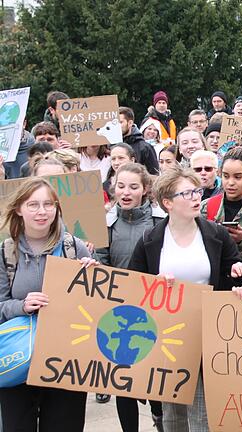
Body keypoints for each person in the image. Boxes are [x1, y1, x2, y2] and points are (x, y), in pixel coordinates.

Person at [129, 167, 242, 432]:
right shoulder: (150, 239)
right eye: (187, 193)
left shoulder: (215, 234)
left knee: (203, 408)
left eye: (197, 191)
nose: (197, 197)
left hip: (208, 333)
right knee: (173, 410)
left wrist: (239, 273)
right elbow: (133, 285)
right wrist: (155, 286)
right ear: (168, 202)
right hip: (167, 333)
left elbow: (235, 271)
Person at [0, 177, 96, 431]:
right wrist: (21, 306)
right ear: (19, 209)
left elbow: (96, 308)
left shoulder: (74, 247)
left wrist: (94, 276)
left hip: (67, 360)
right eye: (33, 205)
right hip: (20, 360)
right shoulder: (5, 252)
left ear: (57, 208)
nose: (42, 211)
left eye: (48, 204)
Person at [95, 163, 165, 432]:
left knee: (155, 379)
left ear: (145, 189)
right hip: (118, 312)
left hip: (154, 309)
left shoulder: (159, 222)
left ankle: (160, 421)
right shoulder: (106, 224)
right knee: (121, 381)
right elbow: (101, 263)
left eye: (133, 187)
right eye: (120, 186)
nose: (126, 192)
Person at [120, 107, 160, 175]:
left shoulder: (145, 148)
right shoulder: (109, 146)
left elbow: (154, 175)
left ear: (130, 123)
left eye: (120, 122)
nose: (116, 126)